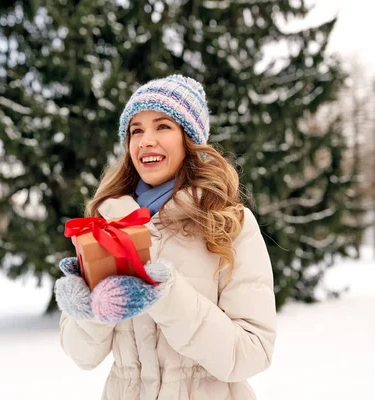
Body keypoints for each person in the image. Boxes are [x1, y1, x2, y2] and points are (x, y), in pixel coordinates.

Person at [55, 74, 276, 399]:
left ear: (189, 138)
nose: (145, 141)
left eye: (162, 126)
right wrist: (91, 306)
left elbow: (252, 352)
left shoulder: (229, 224)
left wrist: (167, 296)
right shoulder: (107, 222)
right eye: (136, 130)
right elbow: (81, 355)